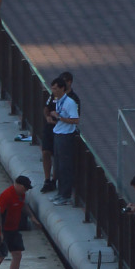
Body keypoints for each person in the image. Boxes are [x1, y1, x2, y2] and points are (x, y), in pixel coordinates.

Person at [0, 175, 37, 269]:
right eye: (25, 188)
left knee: (17, 255)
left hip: (14, 230)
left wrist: (32, 217)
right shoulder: (6, 196)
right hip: (4, 230)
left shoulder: (21, 194)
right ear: (17, 185)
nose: (26, 190)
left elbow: (23, 205)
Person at [47, 75, 79, 205]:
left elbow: (75, 120)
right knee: (58, 165)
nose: (53, 91)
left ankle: (65, 195)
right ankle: (60, 193)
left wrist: (59, 117)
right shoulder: (57, 100)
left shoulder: (70, 103)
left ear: (62, 88)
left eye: (55, 88)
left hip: (66, 135)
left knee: (65, 166)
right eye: (52, 88)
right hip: (58, 133)